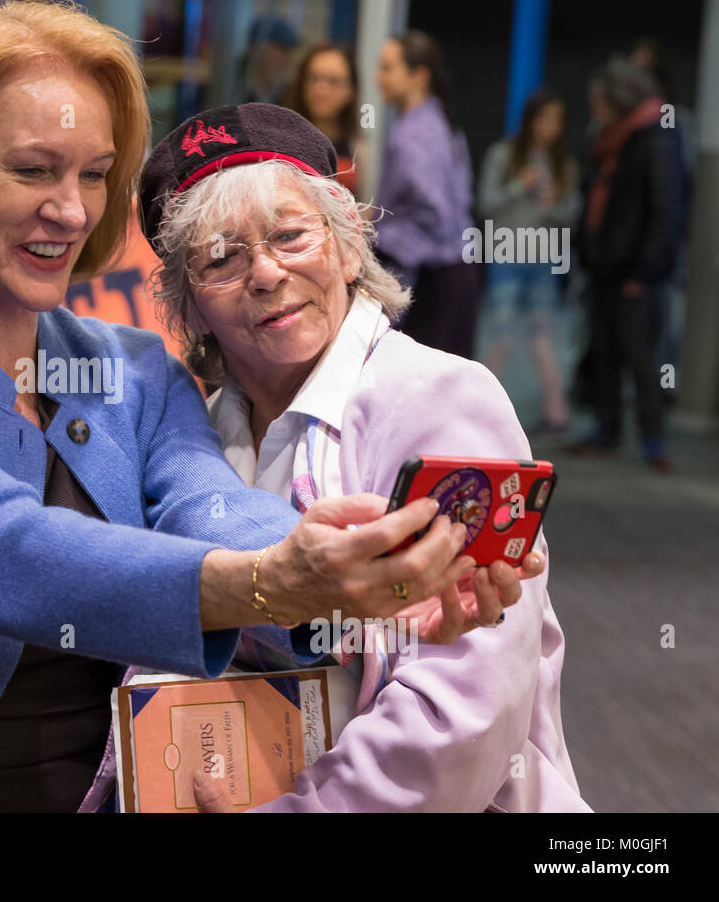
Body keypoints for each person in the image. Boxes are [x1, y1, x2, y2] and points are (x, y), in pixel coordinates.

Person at [0, 0, 535, 814]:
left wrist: (357, 568)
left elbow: (210, 502)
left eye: (93, 173)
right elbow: (17, 557)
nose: (73, 209)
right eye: (32, 169)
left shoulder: (130, 366)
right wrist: (286, 580)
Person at [132, 102, 586, 811]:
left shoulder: (443, 400)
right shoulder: (192, 441)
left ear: (347, 246)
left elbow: (463, 713)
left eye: (290, 236)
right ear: (186, 302)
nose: (266, 273)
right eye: (221, 257)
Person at [571, 58, 686, 472]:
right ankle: (607, 431)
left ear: (618, 101)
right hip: (605, 267)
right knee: (603, 352)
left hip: (635, 273)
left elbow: (666, 210)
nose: (594, 111)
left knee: (642, 358)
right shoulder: (610, 140)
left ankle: (654, 440)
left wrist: (645, 272)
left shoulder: (654, 139)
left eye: (599, 103)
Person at [477, 89, 580, 434]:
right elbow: (486, 203)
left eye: (557, 121)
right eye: (544, 118)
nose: (550, 127)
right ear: (530, 120)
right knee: (500, 334)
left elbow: (571, 218)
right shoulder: (503, 155)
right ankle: (478, 408)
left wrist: (553, 202)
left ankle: (556, 415)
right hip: (507, 253)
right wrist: (519, 185)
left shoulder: (564, 164)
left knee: (544, 338)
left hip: (543, 259)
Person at [373, 30, 477, 358]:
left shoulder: (413, 133)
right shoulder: (441, 122)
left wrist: (378, 233)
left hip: (435, 278)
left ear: (418, 76)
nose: (379, 78)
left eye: (388, 68)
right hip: (457, 270)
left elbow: (436, 211)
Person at [285, 41, 367, 198]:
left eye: (333, 81)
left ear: (351, 90)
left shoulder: (362, 150)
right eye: (313, 78)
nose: (320, 89)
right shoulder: (283, 143)